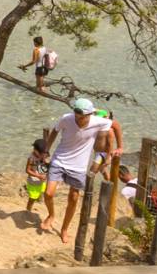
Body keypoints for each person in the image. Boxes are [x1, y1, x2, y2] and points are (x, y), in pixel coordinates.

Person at [41, 96, 115, 243]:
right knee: (48, 193)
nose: (78, 119)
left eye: (82, 117)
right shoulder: (66, 119)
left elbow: (114, 127)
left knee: (74, 198)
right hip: (60, 159)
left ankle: (64, 229)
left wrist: (116, 149)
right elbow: (54, 131)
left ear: (89, 115)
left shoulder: (100, 122)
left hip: (79, 166)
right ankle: (51, 215)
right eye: (77, 116)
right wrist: (47, 150)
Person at [23, 136, 51, 218]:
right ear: (35, 150)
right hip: (33, 182)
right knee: (32, 198)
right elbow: (27, 170)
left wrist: (47, 164)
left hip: (41, 180)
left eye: (44, 153)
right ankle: (28, 210)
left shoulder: (43, 154)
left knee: (42, 191)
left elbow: (45, 161)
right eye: (42, 153)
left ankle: (39, 199)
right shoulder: (31, 158)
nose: (43, 155)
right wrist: (38, 175)